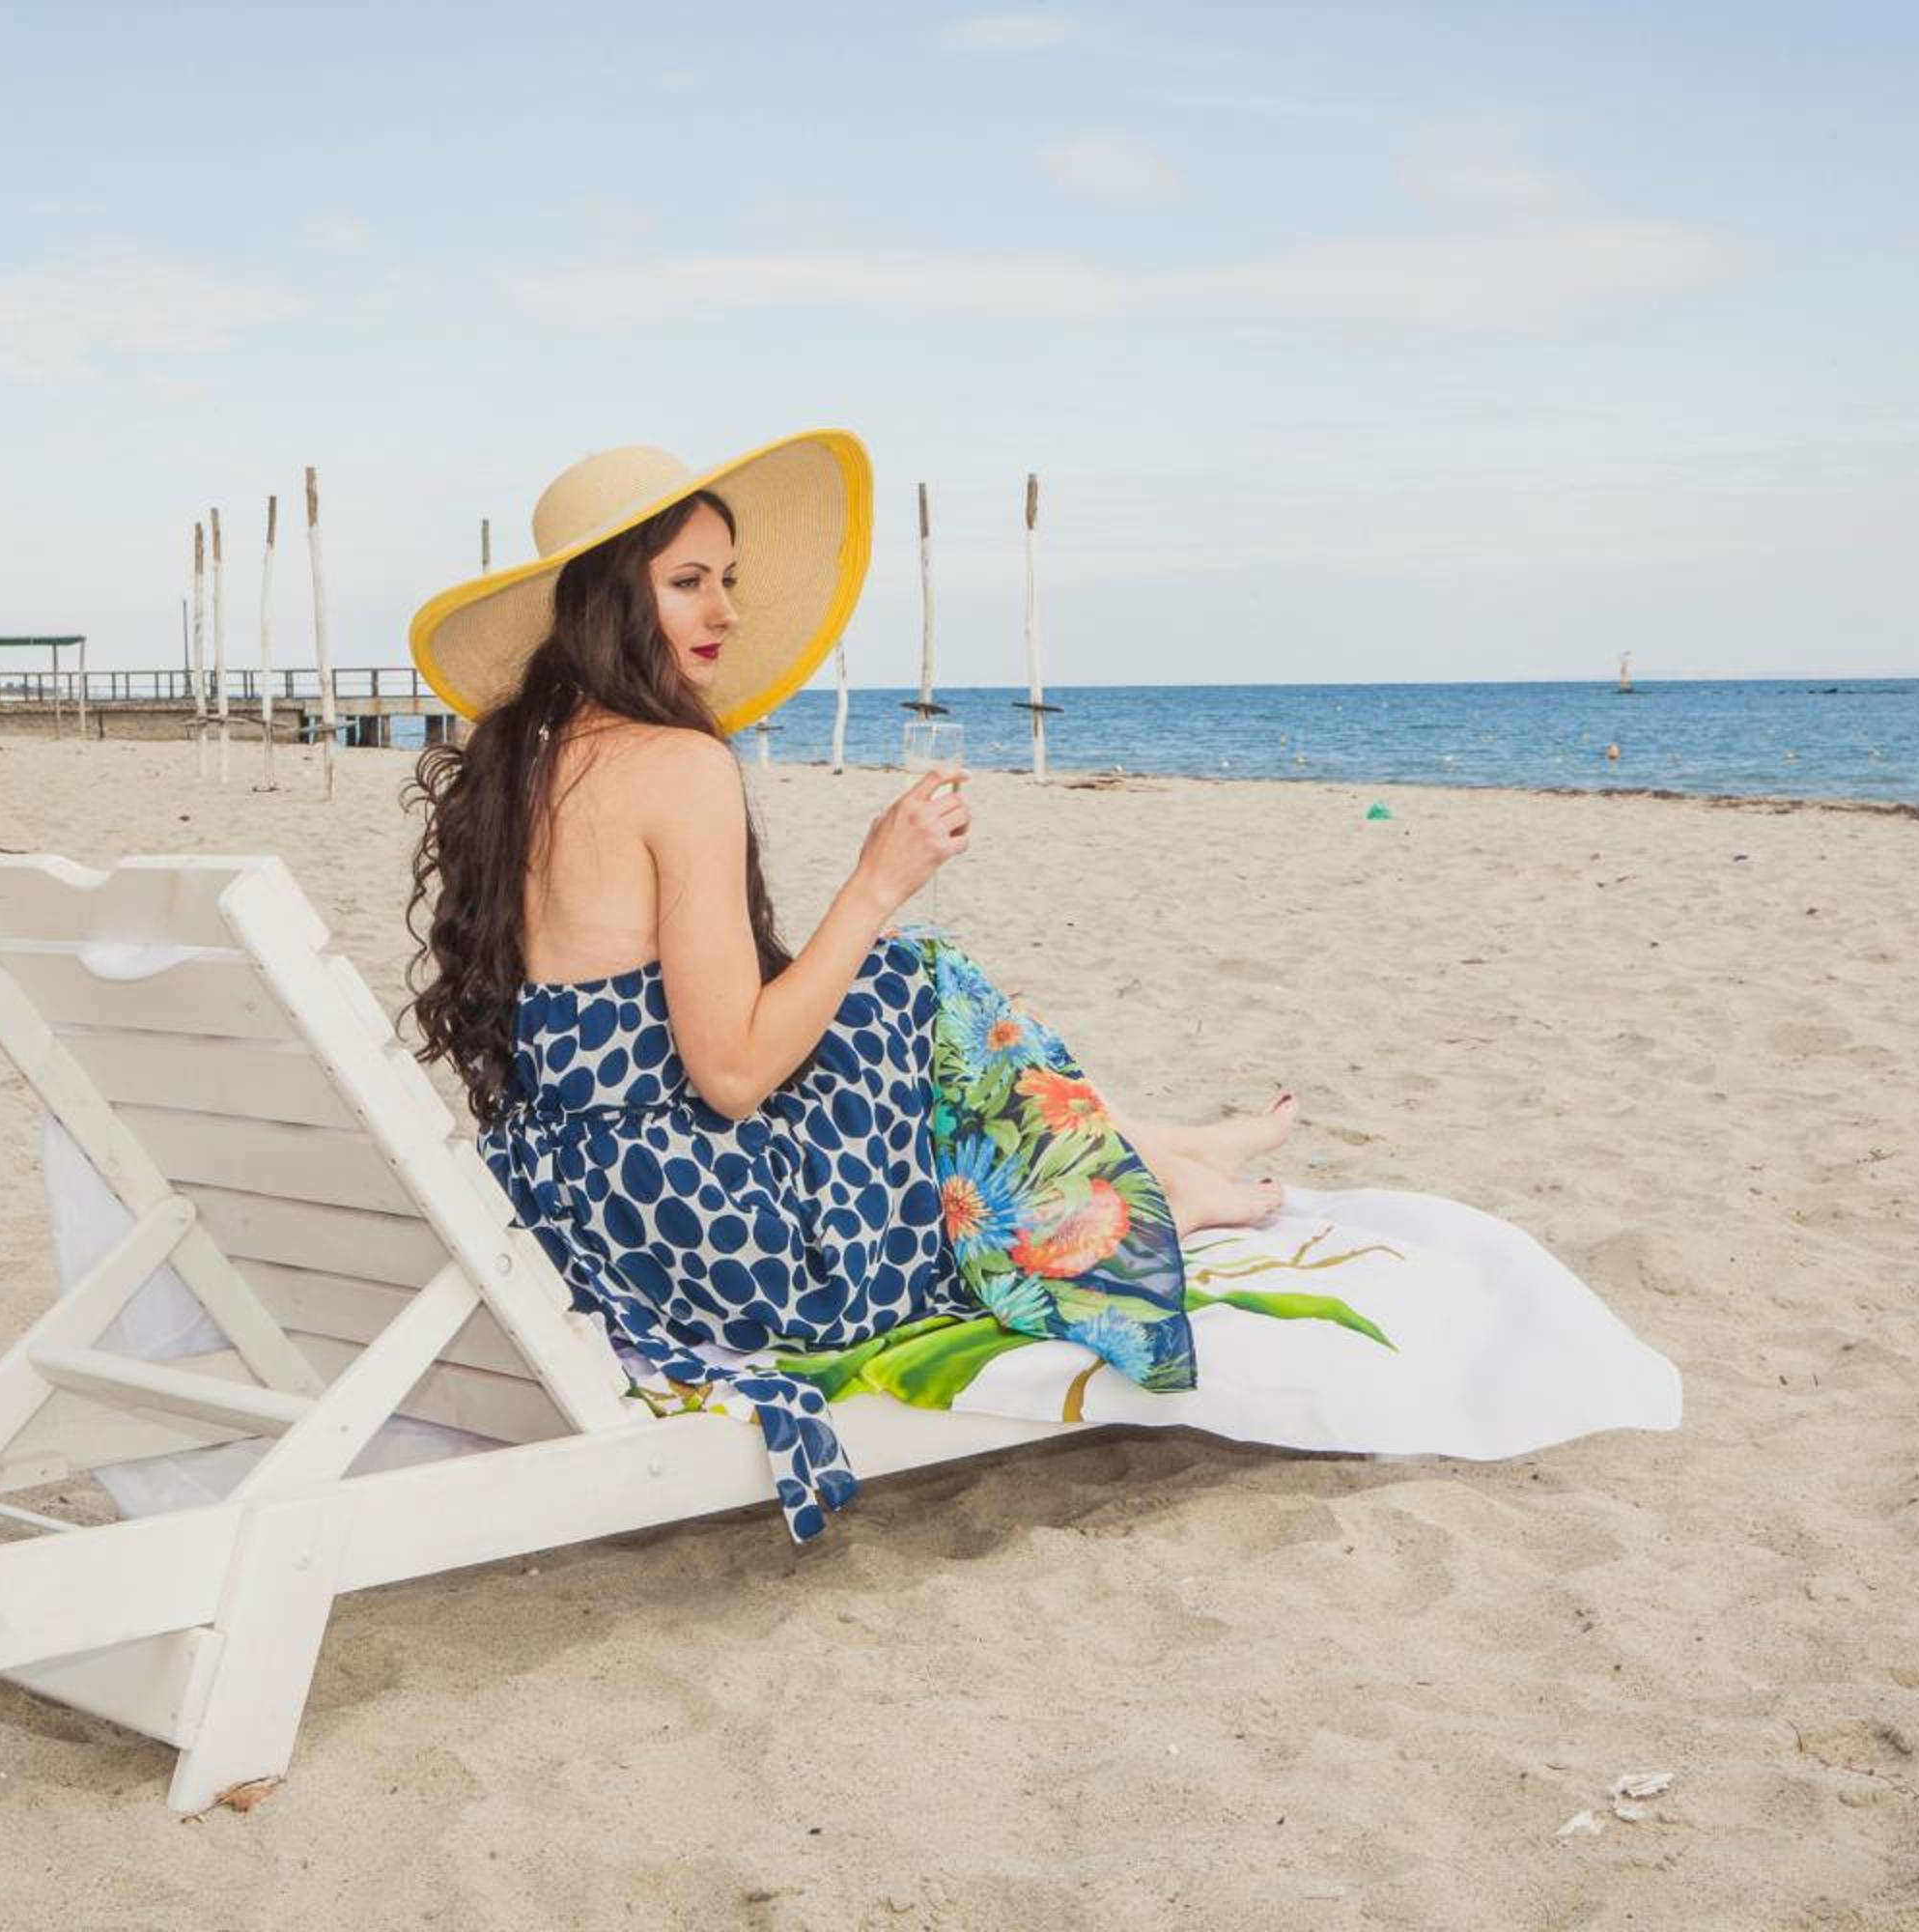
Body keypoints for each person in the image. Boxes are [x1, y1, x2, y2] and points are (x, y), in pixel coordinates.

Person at [402, 433, 1295, 1537]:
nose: (724, 610)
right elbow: (732, 1076)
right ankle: (1155, 1179)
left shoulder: (521, 761)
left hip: (579, 1208)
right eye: (688, 582)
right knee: (916, 971)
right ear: (607, 600)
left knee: (893, 987)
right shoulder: (678, 766)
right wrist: (878, 879)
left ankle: (1164, 1146)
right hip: (719, 1244)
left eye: (727, 579)